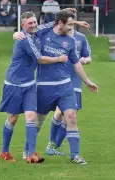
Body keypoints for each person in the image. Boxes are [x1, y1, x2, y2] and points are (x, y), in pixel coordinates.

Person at [17, 10, 98, 164]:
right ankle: (28, 149)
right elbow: (28, 33)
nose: (71, 28)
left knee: (71, 117)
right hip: (44, 87)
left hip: (65, 86)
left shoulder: (71, 41)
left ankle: (75, 155)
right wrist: (16, 34)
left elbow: (75, 63)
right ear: (60, 23)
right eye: (69, 24)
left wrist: (87, 81)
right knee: (38, 122)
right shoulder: (43, 34)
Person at [0, 12, 67, 163]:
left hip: (29, 85)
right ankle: (4, 151)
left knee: (31, 117)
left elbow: (53, 23)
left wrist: (76, 21)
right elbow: (40, 59)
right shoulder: (25, 40)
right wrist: (59, 59)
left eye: (35, 22)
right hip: (14, 84)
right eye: (30, 23)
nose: (34, 25)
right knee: (13, 118)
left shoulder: (37, 30)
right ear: (23, 25)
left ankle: (31, 154)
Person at [46, 27, 92, 156]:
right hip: (60, 78)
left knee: (69, 116)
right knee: (59, 112)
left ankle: (55, 146)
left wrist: (85, 60)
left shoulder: (81, 38)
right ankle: (51, 143)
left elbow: (88, 56)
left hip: (75, 79)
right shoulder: (56, 36)